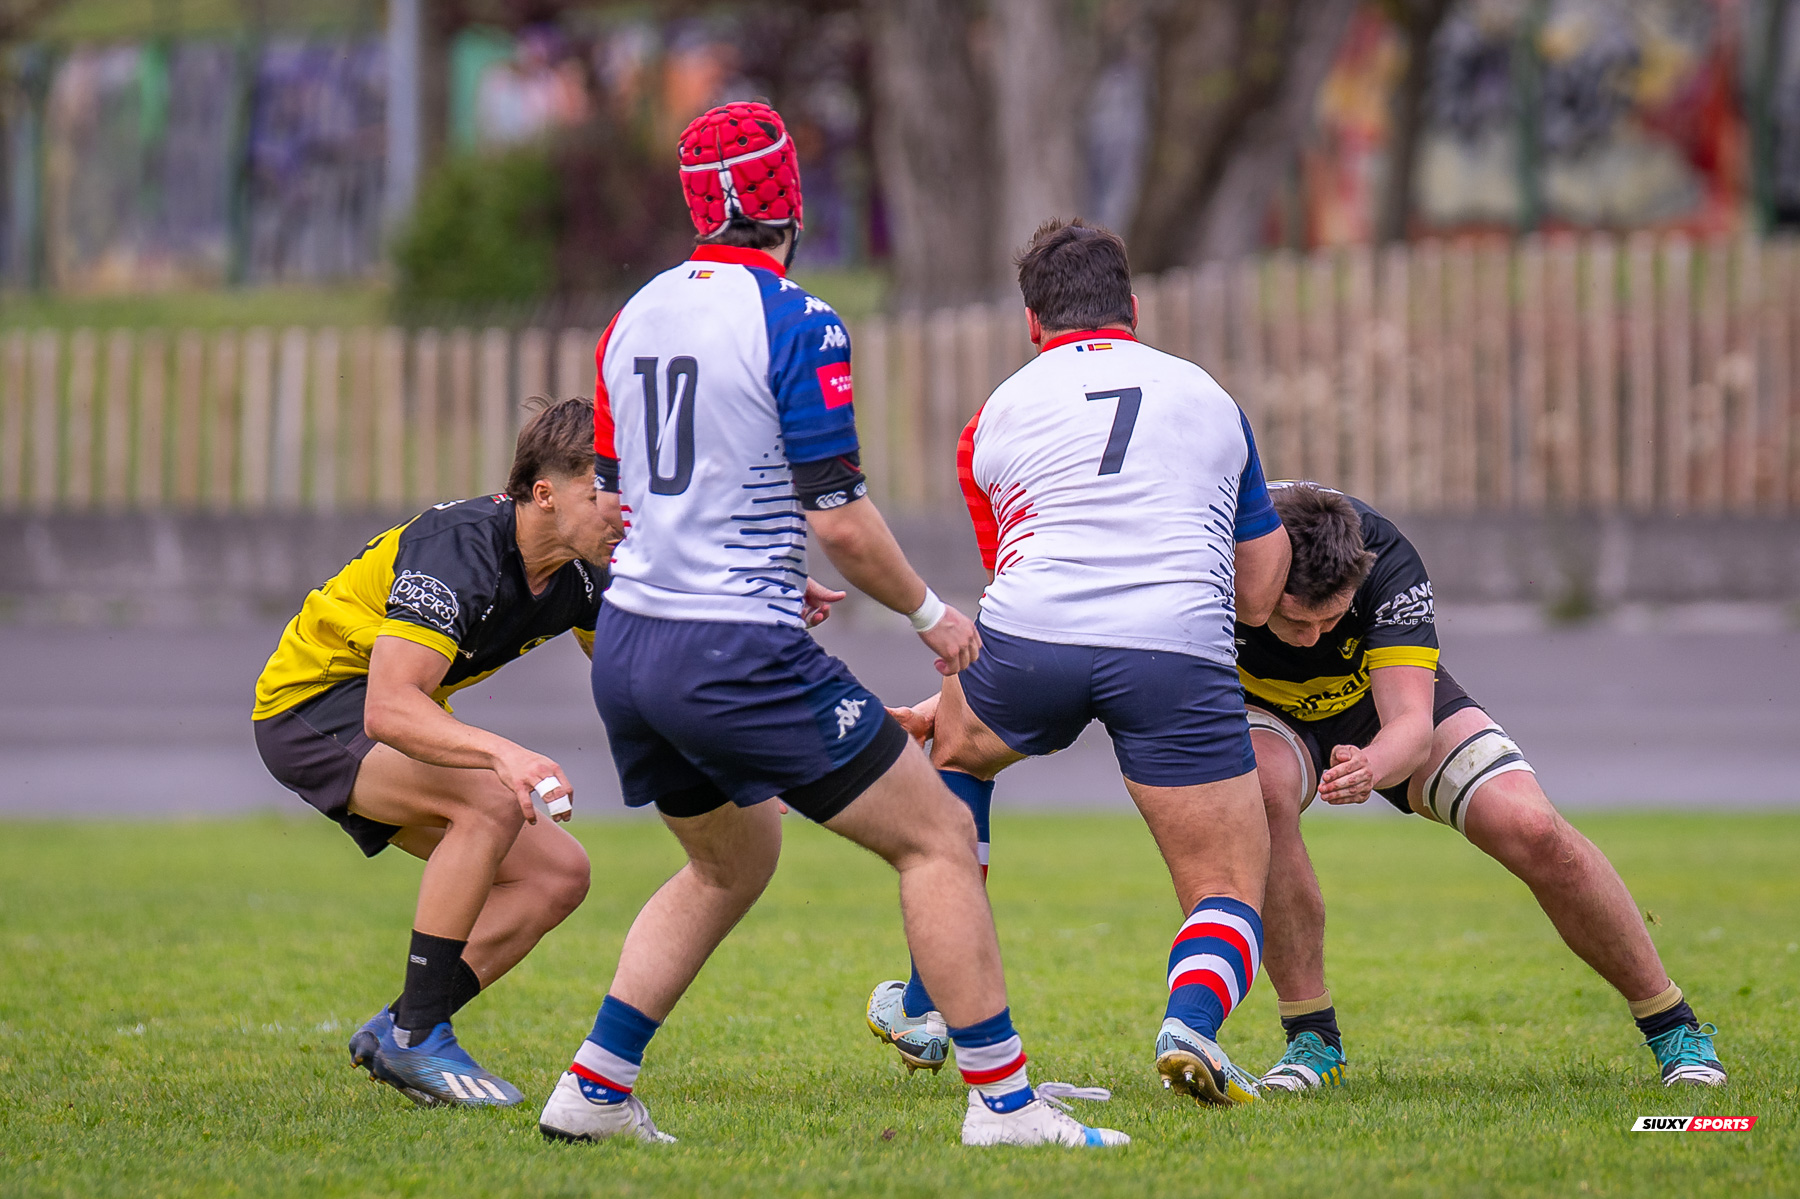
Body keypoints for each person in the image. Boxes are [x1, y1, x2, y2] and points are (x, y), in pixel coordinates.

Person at [535, 103, 1127, 1149]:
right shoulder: (798, 321)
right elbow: (843, 520)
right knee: (939, 836)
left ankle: (594, 1087)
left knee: (730, 862)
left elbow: (625, 504)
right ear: (789, 204)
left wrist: (763, 564)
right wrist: (932, 614)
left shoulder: (632, 317)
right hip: (729, 647)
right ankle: (1004, 1103)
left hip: (630, 641)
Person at [867, 218, 1293, 1108]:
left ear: (1032, 321)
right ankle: (1191, 1025)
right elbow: (1258, 593)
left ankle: (925, 1001)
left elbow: (1011, 574)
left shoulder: (993, 414)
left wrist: (957, 706)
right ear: (1132, 307)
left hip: (1033, 637)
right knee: (1226, 882)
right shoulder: (1210, 398)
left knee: (957, 758)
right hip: (1176, 645)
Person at [1239, 482, 1728, 1092]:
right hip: (1258, 704)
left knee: (1532, 827)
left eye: (1332, 619)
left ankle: (1674, 1027)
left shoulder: (1386, 558)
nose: (1313, 639)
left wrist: (1370, 765)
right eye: (1295, 620)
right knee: (1263, 795)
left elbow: (1411, 724)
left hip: (1373, 698)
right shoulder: (1211, 555)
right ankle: (1312, 1039)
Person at [252, 398, 607, 1108]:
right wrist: (503, 754)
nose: (622, 509)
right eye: (601, 491)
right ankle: (419, 1036)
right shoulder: (460, 547)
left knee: (557, 875)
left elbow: (648, 677)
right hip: (312, 705)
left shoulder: (586, 572)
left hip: (383, 711)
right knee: (489, 799)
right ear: (544, 493)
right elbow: (388, 707)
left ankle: (399, 1028)